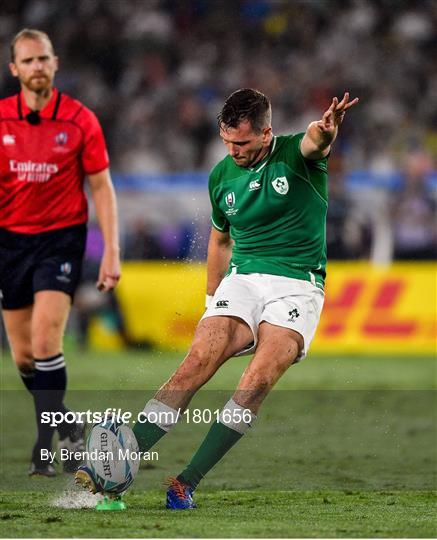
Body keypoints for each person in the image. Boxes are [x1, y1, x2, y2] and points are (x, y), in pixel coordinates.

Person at [76, 88, 358, 507]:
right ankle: (117, 465)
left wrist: (327, 130)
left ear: (266, 133)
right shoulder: (221, 176)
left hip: (298, 284)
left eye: (241, 143)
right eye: (226, 141)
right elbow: (220, 240)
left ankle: (186, 481)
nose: (233, 150)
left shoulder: (296, 156)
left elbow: (315, 140)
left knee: (257, 380)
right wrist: (213, 300)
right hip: (242, 280)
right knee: (196, 360)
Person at [0, 29, 121, 476]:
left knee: (47, 340)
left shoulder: (79, 119)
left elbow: (101, 187)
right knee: (24, 357)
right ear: (14, 69)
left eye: (43, 59)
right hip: (10, 242)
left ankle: (43, 447)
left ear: (56, 63)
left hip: (60, 240)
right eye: (27, 61)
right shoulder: (0, 121)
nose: (36, 67)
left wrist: (111, 250)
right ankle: (68, 425)